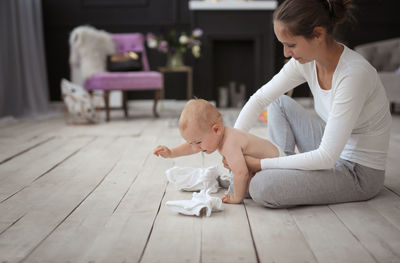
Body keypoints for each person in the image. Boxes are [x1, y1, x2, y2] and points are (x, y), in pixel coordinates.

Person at [229, 0, 392, 208]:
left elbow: (326, 157)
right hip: (332, 149)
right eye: (283, 45)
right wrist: (232, 147)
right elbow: (260, 99)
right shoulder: (306, 62)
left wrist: (259, 164)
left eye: (291, 45)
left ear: (318, 34)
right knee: (279, 103)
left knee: (262, 187)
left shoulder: (353, 74)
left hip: (357, 172)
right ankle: (277, 171)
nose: (286, 53)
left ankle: (269, 174)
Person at [153, 99, 284, 204]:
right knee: (241, 182)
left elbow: (241, 172)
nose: (197, 147)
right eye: (193, 142)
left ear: (216, 130)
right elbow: (191, 146)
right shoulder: (218, 137)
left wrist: (237, 197)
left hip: (277, 164)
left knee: (245, 184)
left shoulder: (229, 143)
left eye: (198, 142)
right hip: (263, 164)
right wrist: (171, 152)